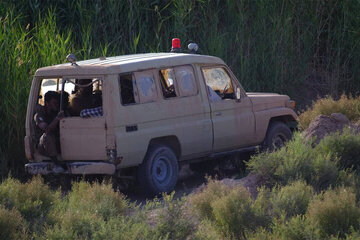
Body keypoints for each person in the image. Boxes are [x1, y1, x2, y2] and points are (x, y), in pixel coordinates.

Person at [34, 91, 64, 158]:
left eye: (57, 102)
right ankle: (55, 161)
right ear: (47, 103)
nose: (56, 104)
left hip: (56, 143)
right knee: (47, 136)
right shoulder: (40, 114)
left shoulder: (56, 112)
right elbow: (46, 129)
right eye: (54, 103)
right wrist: (57, 119)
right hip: (44, 146)